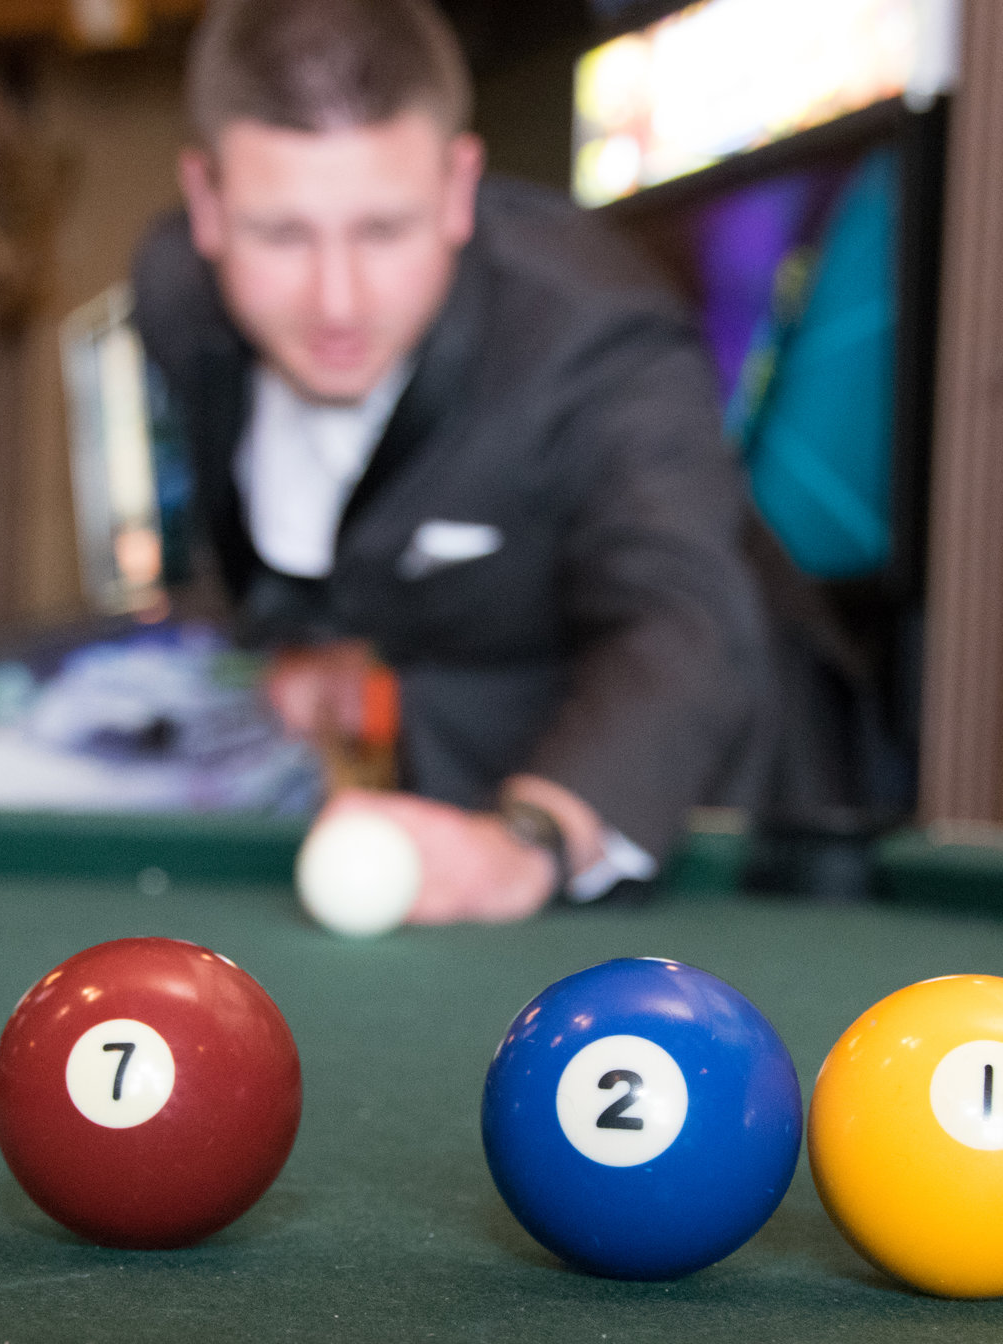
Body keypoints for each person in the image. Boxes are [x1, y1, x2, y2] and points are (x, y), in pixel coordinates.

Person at [133, 0, 772, 923]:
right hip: (419, 816)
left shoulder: (596, 340)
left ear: (459, 186)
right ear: (206, 205)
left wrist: (532, 839)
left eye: (384, 230)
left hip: (680, 832)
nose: (337, 301)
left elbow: (683, 624)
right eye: (282, 234)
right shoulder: (176, 299)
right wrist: (305, 642)